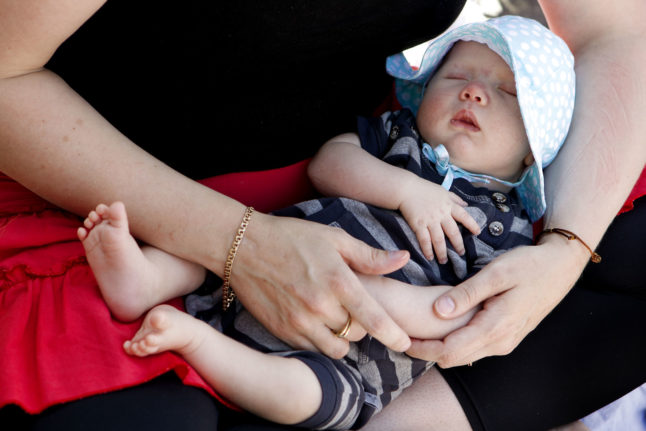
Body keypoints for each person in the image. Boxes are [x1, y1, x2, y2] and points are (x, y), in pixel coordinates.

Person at [0, 1, 645, 430]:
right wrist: (241, 243)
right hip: (123, 182)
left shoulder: (495, 205)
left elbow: (616, 29)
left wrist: (564, 252)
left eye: (505, 93)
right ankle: (165, 300)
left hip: (349, 285)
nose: (477, 91)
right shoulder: (389, 144)